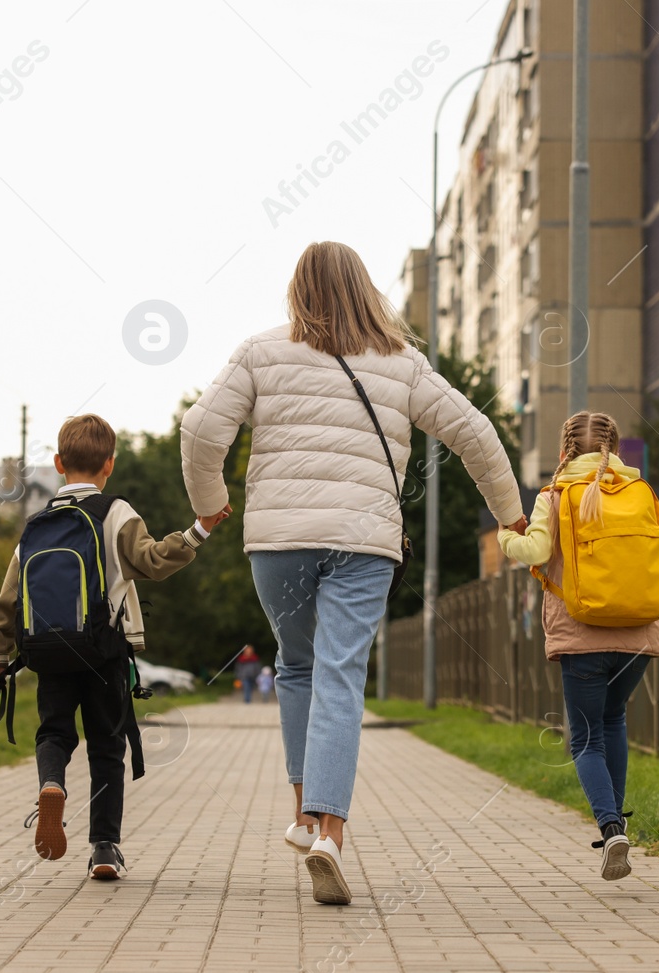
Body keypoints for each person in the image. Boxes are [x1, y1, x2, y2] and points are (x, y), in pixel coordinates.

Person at [181, 240, 524, 905]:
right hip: (364, 542)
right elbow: (475, 433)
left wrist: (210, 503)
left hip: (279, 541)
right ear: (366, 289)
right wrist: (509, 514)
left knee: (298, 667)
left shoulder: (261, 351)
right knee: (340, 674)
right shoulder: (403, 363)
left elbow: (200, 431)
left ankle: (306, 814)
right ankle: (331, 834)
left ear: (297, 289)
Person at [0, 414, 230, 880]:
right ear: (109, 466)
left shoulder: (36, 526)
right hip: (103, 653)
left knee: (53, 733)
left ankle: (52, 783)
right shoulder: (116, 512)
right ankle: (103, 848)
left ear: (58, 463)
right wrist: (199, 530)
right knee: (106, 748)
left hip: (50, 653)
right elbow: (152, 561)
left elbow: (7, 601)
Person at [498, 411, 659, 881]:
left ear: (564, 452)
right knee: (613, 719)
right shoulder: (642, 493)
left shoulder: (555, 496)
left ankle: (611, 825)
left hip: (582, 635)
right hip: (638, 635)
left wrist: (505, 538)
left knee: (584, 738)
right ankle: (616, 823)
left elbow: (536, 552)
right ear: (615, 449)